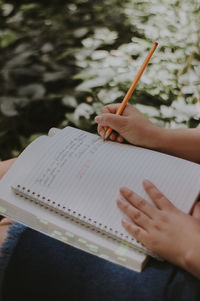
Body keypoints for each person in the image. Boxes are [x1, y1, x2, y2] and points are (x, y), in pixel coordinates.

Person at [0, 104, 200, 300]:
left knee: (11, 237)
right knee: (24, 170)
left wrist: (189, 247)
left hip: (180, 268)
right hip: (185, 196)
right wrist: (157, 138)